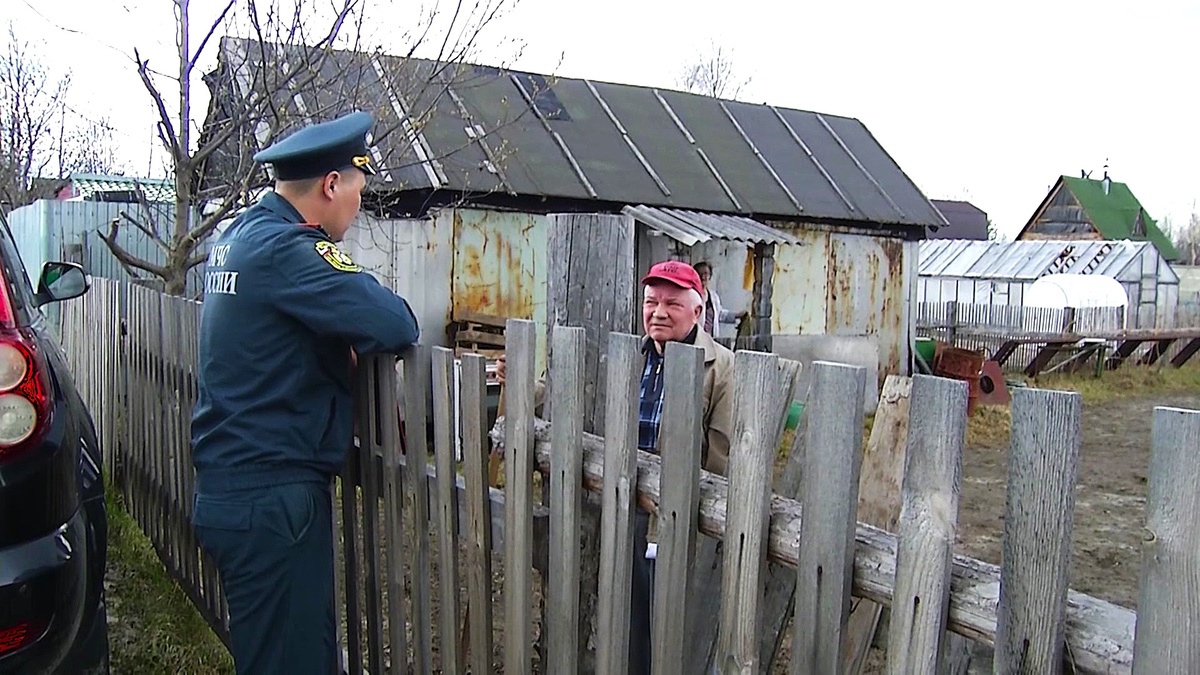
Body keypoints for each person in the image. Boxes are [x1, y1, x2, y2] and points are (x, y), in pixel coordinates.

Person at [190, 110, 420, 674]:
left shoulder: (238, 235)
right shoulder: (289, 251)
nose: (360, 204)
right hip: (272, 501)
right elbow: (395, 322)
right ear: (331, 184)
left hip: (235, 488)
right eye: (358, 188)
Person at [495, 260, 735, 674]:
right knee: (630, 619)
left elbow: (722, 449)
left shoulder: (722, 366)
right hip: (623, 503)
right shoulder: (628, 355)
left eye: (672, 304)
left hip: (679, 513)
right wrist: (520, 383)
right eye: (651, 302)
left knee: (683, 623)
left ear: (697, 312)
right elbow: (577, 400)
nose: (659, 312)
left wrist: (701, 521)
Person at [693, 260, 747, 338]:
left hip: (712, 339)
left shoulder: (713, 296)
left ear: (710, 276)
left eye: (706, 274)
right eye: (700, 274)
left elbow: (720, 314)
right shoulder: (692, 295)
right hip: (697, 338)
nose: (703, 277)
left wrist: (737, 315)